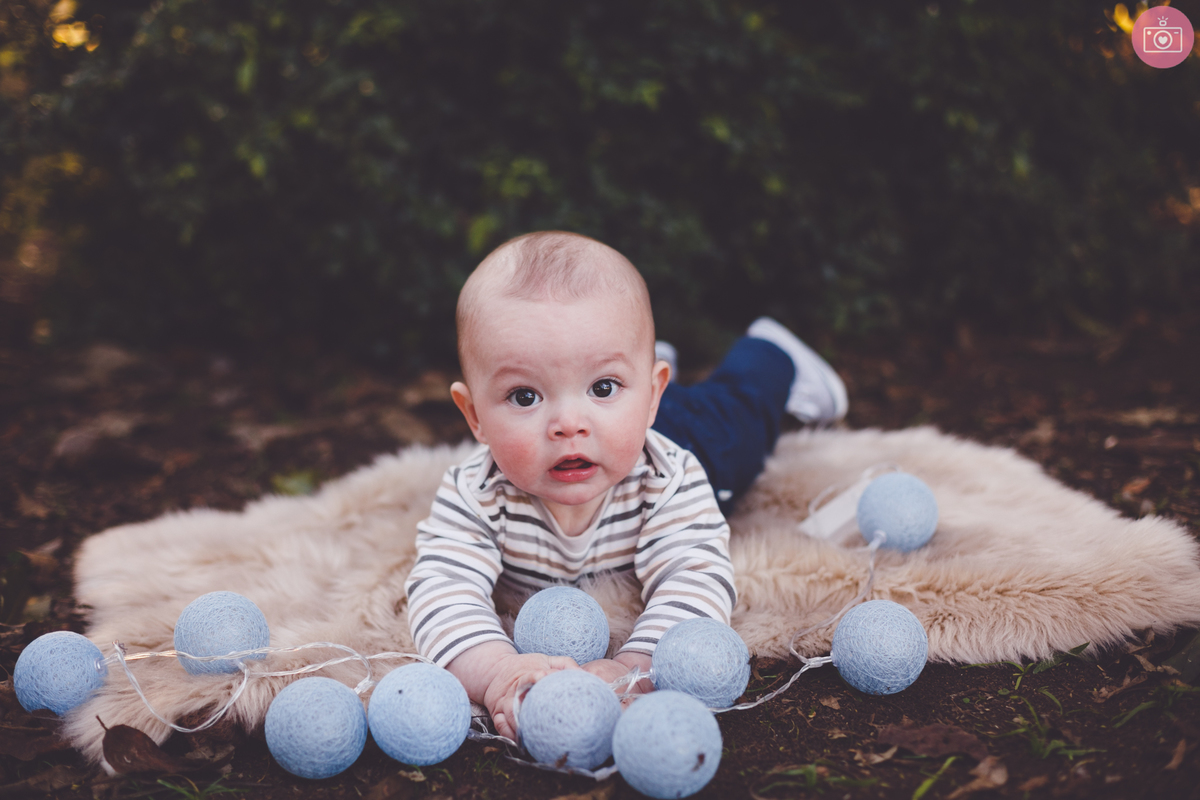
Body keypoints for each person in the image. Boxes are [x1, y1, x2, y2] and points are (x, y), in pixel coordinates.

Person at [404, 231, 846, 739]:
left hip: (681, 434)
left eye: (601, 386)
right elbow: (442, 590)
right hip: (623, 423)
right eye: (525, 396)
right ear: (475, 415)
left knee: (740, 420)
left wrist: (635, 666)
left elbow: (694, 577)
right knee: (605, 376)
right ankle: (624, 366)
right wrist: (497, 672)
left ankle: (771, 352)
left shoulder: (669, 476)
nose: (569, 423)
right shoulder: (474, 493)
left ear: (649, 395)